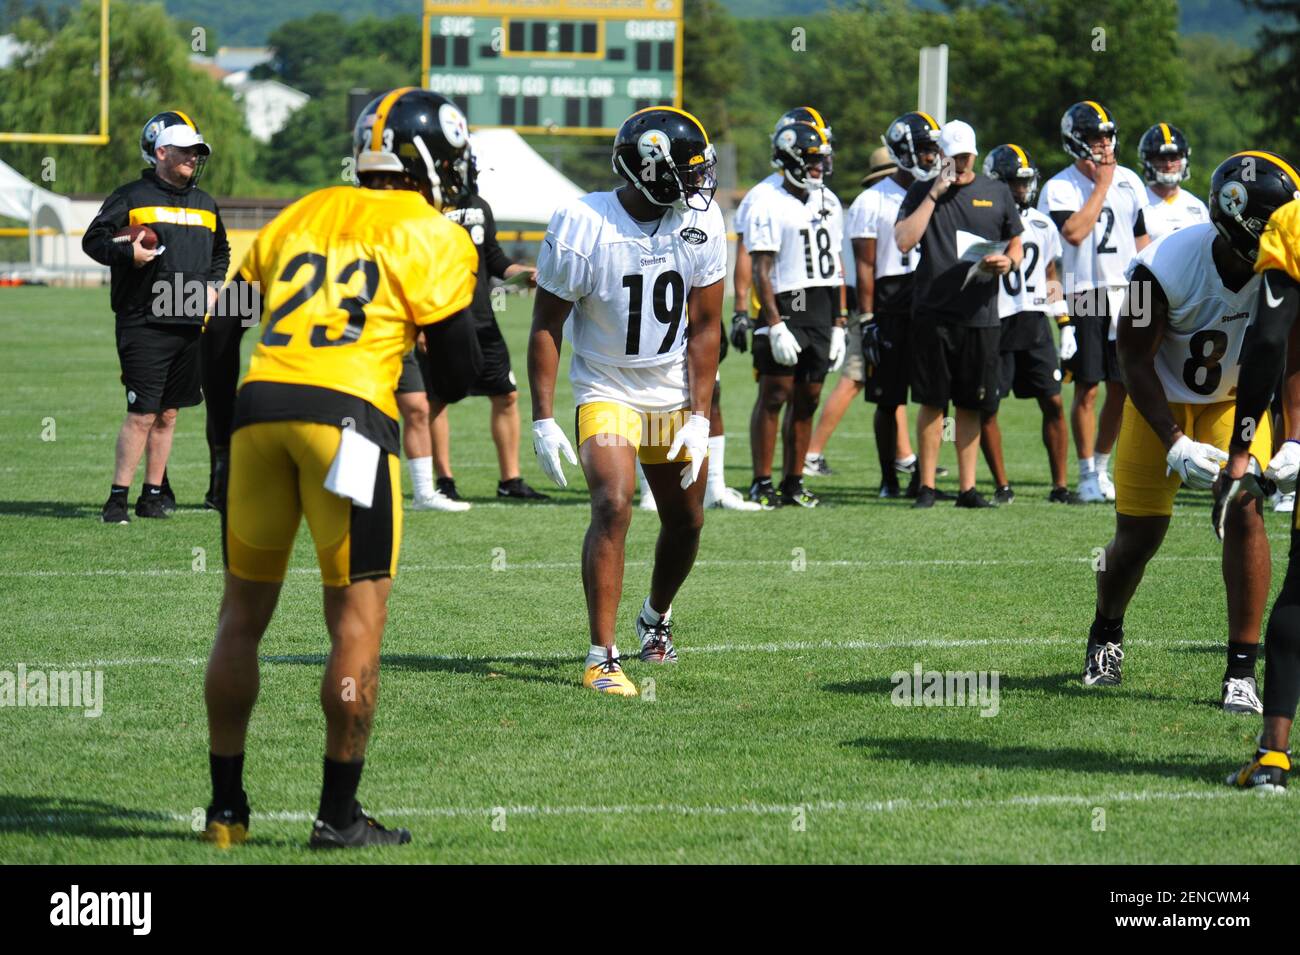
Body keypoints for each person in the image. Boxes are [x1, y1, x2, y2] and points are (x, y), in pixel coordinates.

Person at [198, 88, 480, 848]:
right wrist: (406, 395)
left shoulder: (302, 209)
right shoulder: (433, 232)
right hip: (349, 421)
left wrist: (223, 444)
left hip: (260, 410)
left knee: (240, 619)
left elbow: (220, 326)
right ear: (428, 161)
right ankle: (337, 816)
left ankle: (226, 813)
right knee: (355, 622)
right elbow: (464, 360)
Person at [1081, 152, 1298, 713]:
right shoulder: (1165, 265)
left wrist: (1294, 438)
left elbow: (1293, 359)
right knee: (1138, 538)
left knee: (1246, 516)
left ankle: (1241, 671)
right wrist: (1174, 442)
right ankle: (1106, 632)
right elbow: (1131, 361)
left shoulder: (1284, 263)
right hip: (1163, 402)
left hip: (1233, 402)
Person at [529, 107, 724, 696]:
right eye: (687, 172)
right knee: (613, 503)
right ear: (651, 171)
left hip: (670, 388)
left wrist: (698, 416)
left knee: (686, 519)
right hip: (606, 384)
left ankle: (655, 617)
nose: (698, 185)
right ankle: (602, 656)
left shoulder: (702, 222)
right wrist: (542, 418)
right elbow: (545, 323)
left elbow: (708, 325)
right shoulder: (583, 221)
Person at [82, 110, 228, 523]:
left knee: (168, 413)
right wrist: (129, 252)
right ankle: (116, 499)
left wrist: (215, 284)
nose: (192, 159)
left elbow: (221, 252)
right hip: (143, 320)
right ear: (161, 151)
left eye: (197, 153)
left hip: (189, 321)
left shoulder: (205, 203)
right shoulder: (131, 197)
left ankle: (152, 496)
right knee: (142, 412)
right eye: (185, 151)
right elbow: (93, 240)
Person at [894, 119, 1023, 508]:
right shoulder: (922, 190)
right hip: (933, 312)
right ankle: (928, 487)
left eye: (967, 157)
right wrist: (934, 193)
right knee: (932, 402)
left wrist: (1008, 262)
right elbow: (903, 240)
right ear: (942, 156)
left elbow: (1015, 241)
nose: (962, 164)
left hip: (981, 314)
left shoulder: (996, 191)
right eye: (955, 157)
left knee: (972, 403)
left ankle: (968, 488)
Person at [1222, 189, 1300, 790]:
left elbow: (1271, 342)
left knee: (1298, 603)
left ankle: (1274, 755)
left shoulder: (1293, 222)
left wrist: (1245, 447)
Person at [1038, 101, 1150, 504]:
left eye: (1106, 135)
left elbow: (1143, 242)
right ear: (1075, 141)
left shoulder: (1132, 182)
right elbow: (1073, 232)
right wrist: (1102, 185)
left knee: (1123, 386)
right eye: (1093, 136)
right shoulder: (1061, 186)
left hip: (1129, 292)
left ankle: (1102, 467)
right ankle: (1085, 471)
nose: (1103, 144)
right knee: (1087, 387)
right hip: (1083, 290)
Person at [834, 121, 939, 497]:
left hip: (931, 300)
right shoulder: (871, 200)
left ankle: (923, 478)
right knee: (888, 395)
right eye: (924, 147)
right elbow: (866, 267)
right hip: (890, 301)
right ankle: (888, 477)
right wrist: (867, 318)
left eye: (933, 147)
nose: (930, 155)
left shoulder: (939, 190)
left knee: (934, 394)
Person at [744, 120, 846, 508]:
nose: (820, 166)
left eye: (823, 158)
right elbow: (761, 269)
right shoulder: (766, 200)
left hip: (820, 304)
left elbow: (836, 263)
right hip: (786, 302)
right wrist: (772, 324)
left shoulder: (829, 201)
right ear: (789, 158)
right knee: (774, 394)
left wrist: (839, 322)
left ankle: (794, 480)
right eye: (812, 159)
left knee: (809, 396)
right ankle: (761, 481)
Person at [429, 174, 548, 505]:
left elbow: (493, 258)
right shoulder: (424, 206)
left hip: (483, 317)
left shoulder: (479, 205)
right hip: (441, 318)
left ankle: (510, 480)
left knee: (506, 395)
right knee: (438, 399)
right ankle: (444, 481)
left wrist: (520, 273)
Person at [979, 144, 1071, 504]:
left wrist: (1065, 322)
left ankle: (1060, 485)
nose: (1023, 189)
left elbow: (1050, 272)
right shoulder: (983, 219)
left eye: (1026, 182)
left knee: (1053, 402)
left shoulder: (1043, 223)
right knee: (988, 406)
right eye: (1016, 183)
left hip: (1033, 321)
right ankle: (1002, 485)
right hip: (995, 321)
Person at [395, 349, 469, 511]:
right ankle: (349, 480)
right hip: (358, 346)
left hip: (398, 344)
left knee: (418, 409)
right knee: (356, 411)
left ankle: (424, 494)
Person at [1136, 123, 1208, 244]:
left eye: (1174, 158)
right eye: (1161, 159)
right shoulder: (1138, 204)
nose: (1169, 165)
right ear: (1148, 161)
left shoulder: (1197, 207)